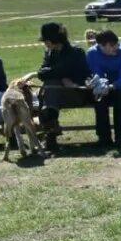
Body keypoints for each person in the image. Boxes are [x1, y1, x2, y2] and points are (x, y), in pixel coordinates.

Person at [36, 21, 91, 153]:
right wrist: (62, 78)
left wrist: (59, 75)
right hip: (56, 96)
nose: (44, 43)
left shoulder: (75, 52)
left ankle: (50, 137)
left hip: (77, 93)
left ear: (53, 39)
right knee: (48, 88)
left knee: (49, 87)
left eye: (46, 40)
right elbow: (42, 72)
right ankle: (51, 135)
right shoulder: (49, 53)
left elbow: (64, 71)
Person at [86, 29, 121, 148]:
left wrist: (114, 86)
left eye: (117, 44)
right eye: (112, 45)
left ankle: (120, 136)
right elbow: (96, 73)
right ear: (101, 46)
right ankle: (104, 137)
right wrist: (102, 86)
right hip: (104, 86)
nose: (116, 47)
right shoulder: (92, 53)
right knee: (99, 98)